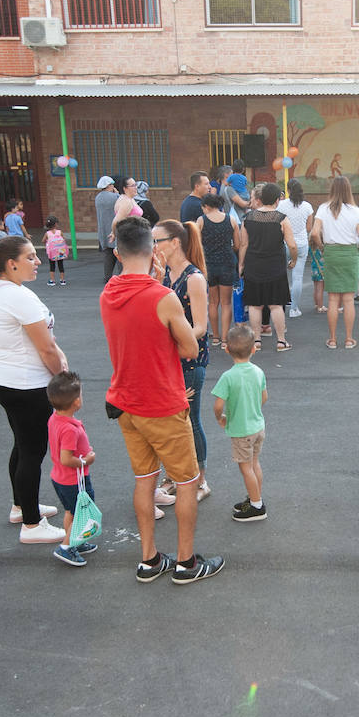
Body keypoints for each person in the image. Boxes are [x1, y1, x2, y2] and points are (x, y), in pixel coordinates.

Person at [102, 215, 224, 584]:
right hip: (163, 403)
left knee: (144, 480)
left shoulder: (109, 292)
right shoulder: (163, 296)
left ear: (118, 251)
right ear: (153, 250)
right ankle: (186, 563)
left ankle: (150, 559)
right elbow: (189, 347)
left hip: (125, 401)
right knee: (187, 482)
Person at [0, 235, 68, 543]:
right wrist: (62, 381)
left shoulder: (4, 289)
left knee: (22, 445)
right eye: (31, 257)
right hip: (24, 386)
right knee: (32, 451)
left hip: (6, 380)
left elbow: (46, 343)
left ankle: (21, 505)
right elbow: (46, 349)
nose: (38, 261)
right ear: (11, 264)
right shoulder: (18, 297)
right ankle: (31, 525)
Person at [155, 218, 212, 502]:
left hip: (190, 361)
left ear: (174, 242)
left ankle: (200, 479)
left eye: (157, 241)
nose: (153, 247)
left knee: (190, 420)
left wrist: (178, 341)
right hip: (167, 360)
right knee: (170, 422)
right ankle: (174, 475)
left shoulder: (194, 278)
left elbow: (201, 326)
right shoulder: (162, 273)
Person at [211, 323, 270, 522]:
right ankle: (256, 497)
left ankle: (256, 506)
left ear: (227, 350)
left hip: (241, 431)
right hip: (258, 426)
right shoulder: (258, 371)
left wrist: (221, 418)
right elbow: (264, 397)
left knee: (246, 468)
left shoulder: (228, 377)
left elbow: (218, 405)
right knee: (255, 464)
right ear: (254, 349)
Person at [46, 370, 99, 567]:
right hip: (73, 479)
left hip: (59, 478)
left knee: (71, 511)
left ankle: (75, 541)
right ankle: (66, 547)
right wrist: (86, 460)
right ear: (76, 402)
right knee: (81, 514)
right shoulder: (70, 429)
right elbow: (66, 459)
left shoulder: (55, 419)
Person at [238, 182, 296, 352]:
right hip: (275, 266)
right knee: (276, 304)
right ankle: (281, 341)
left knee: (255, 305)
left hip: (253, 265)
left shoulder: (248, 218)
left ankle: (256, 341)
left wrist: (241, 264)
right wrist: (293, 260)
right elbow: (292, 245)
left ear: (260, 199)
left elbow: (243, 244)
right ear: (277, 200)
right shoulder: (281, 219)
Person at [311, 176, 359, 350]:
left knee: (333, 299)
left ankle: (333, 339)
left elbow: (314, 233)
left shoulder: (323, 208)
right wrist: (357, 251)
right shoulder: (355, 210)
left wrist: (322, 248)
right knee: (348, 299)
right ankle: (349, 339)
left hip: (331, 252)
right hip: (350, 253)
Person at [198, 191, 240, 346]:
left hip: (208, 264)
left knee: (213, 302)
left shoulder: (201, 221)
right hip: (227, 263)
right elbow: (237, 244)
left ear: (207, 206)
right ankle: (224, 339)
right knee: (226, 303)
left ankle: (215, 337)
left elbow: (196, 244)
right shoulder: (231, 220)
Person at [277, 181, 313, 318]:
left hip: (284, 243)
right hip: (302, 244)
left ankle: (281, 304)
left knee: (281, 275)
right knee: (297, 278)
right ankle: (294, 309)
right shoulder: (307, 207)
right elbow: (309, 228)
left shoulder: (281, 205)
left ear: (288, 190)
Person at [95, 174, 125, 283]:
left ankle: (107, 277)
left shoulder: (98, 198)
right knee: (120, 254)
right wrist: (117, 194)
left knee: (108, 255)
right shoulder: (115, 197)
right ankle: (123, 276)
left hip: (103, 230)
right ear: (109, 185)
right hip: (115, 230)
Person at [42, 216, 69, 287]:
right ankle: (62, 280)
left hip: (52, 253)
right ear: (56, 224)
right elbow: (64, 240)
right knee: (61, 265)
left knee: (52, 266)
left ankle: (52, 280)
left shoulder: (47, 233)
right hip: (60, 252)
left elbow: (43, 241)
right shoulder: (59, 232)